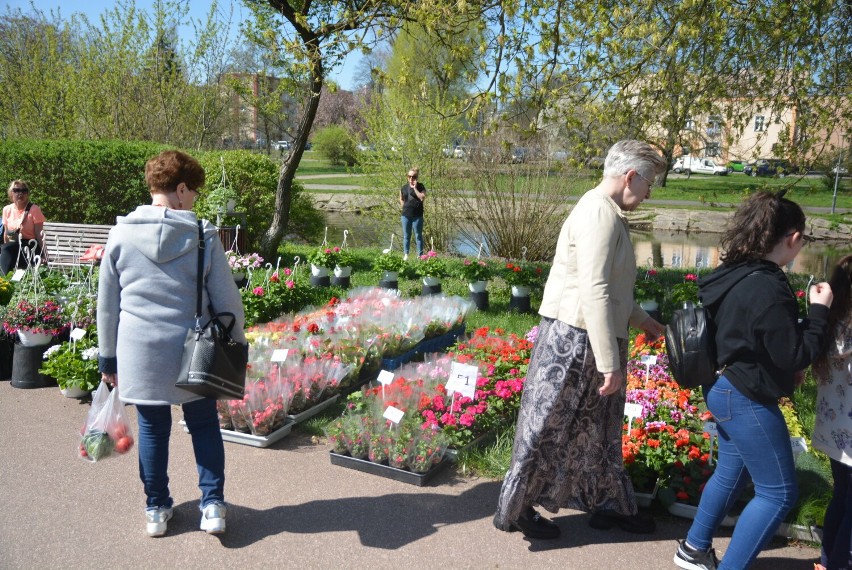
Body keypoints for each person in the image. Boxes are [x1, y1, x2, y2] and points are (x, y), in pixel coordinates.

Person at [493, 140, 667, 540]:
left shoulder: (607, 212)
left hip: (591, 335)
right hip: (575, 339)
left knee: (600, 429)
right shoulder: (598, 213)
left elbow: (613, 289)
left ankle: (609, 503)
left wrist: (644, 321)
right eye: (649, 183)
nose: (648, 192)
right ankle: (517, 509)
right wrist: (610, 361)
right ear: (630, 177)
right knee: (548, 425)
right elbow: (594, 290)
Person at [673, 191, 833, 570]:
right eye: (802, 240)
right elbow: (793, 354)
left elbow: (752, 334)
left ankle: (694, 549)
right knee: (778, 493)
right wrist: (818, 314)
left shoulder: (732, 273)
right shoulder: (769, 286)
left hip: (721, 386)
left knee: (731, 471)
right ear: (793, 238)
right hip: (746, 397)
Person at [97, 150, 246, 538]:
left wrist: (107, 356)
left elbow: (107, 304)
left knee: (152, 429)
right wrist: (237, 346)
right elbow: (228, 302)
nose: (195, 198)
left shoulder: (119, 234)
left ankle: (156, 509)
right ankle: (212, 505)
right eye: (193, 190)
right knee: (203, 425)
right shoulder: (202, 234)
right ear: (179, 189)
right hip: (193, 351)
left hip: (138, 348)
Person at [812, 254, 852, 570]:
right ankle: (838, 562)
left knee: (842, 496)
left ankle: (827, 560)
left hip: (833, 429)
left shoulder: (829, 322)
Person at [1, 180, 46, 274]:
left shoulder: (34, 209)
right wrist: (6, 248)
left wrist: (44, 254)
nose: (20, 193)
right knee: (6, 249)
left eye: (24, 191)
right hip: (14, 244)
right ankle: (4, 281)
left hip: (30, 246)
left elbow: (40, 235)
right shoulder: (7, 209)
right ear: (11, 193)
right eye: (16, 190)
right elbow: (6, 234)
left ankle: (6, 280)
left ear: (27, 194)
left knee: (10, 250)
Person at [399, 167, 425, 261]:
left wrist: (415, 189)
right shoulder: (404, 187)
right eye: (409, 176)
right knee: (406, 236)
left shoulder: (421, 186)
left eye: (413, 177)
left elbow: (422, 197)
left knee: (418, 235)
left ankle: (420, 255)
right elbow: (401, 198)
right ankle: (406, 254)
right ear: (407, 177)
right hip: (406, 215)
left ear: (416, 177)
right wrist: (404, 206)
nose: (411, 178)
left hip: (417, 216)